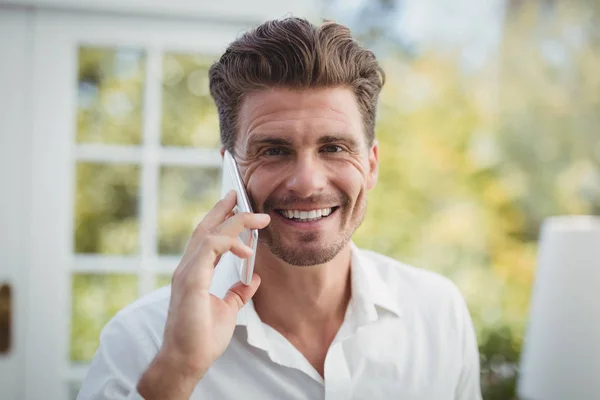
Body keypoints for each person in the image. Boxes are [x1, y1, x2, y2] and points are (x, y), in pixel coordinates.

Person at [77, 17, 482, 400]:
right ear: (229, 170)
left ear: (371, 164)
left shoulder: (437, 314)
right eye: (273, 150)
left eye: (334, 148)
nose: (307, 182)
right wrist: (177, 371)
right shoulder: (139, 340)